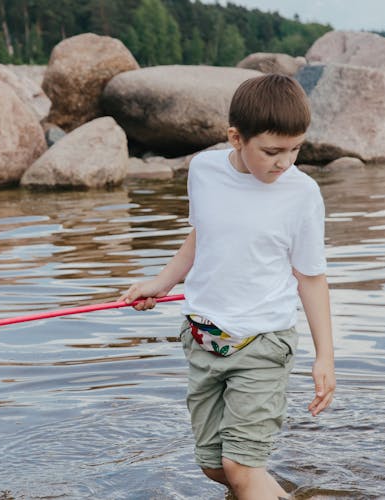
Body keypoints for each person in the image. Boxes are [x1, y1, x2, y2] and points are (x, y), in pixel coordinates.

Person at [120, 73, 335, 500]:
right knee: (216, 465)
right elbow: (203, 236)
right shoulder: (203, 171)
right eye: (272, 151)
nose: (284, 162)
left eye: (295, 149)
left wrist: (325, 356)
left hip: (263, 343)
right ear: (236, 138)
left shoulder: (302, 194)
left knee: (240, 466)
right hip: (203, 339)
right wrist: (161, 283)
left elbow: (311, 278)